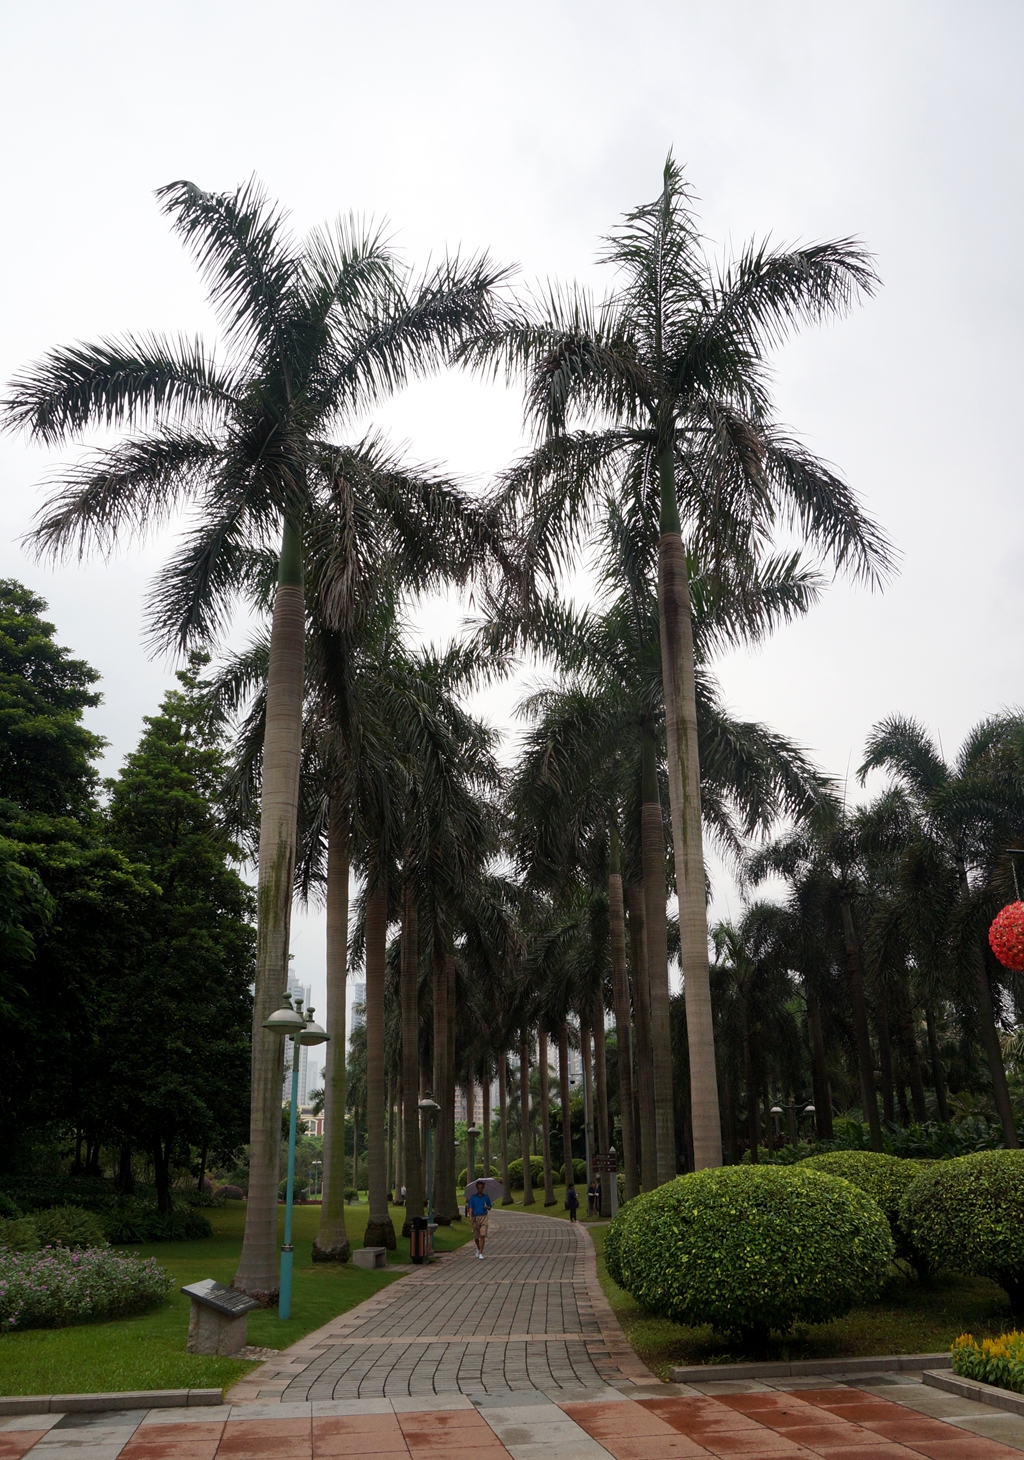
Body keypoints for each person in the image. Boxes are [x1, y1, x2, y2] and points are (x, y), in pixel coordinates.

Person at [466, 1179, 492, 1258]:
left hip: (483, 1217)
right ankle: (478, 1247)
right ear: (477, 1188)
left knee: (482, 1235)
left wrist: (487, 1207)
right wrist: (470, 1216)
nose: (480, 1190)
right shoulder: (473, 1198)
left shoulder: (486, 1197)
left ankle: (481, 1253)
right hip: (475, 1217)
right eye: (478, 1188)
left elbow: (489, 1207)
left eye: (481, 1188)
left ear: (483, 1188)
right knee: (476, 1236)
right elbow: (470, 1207)